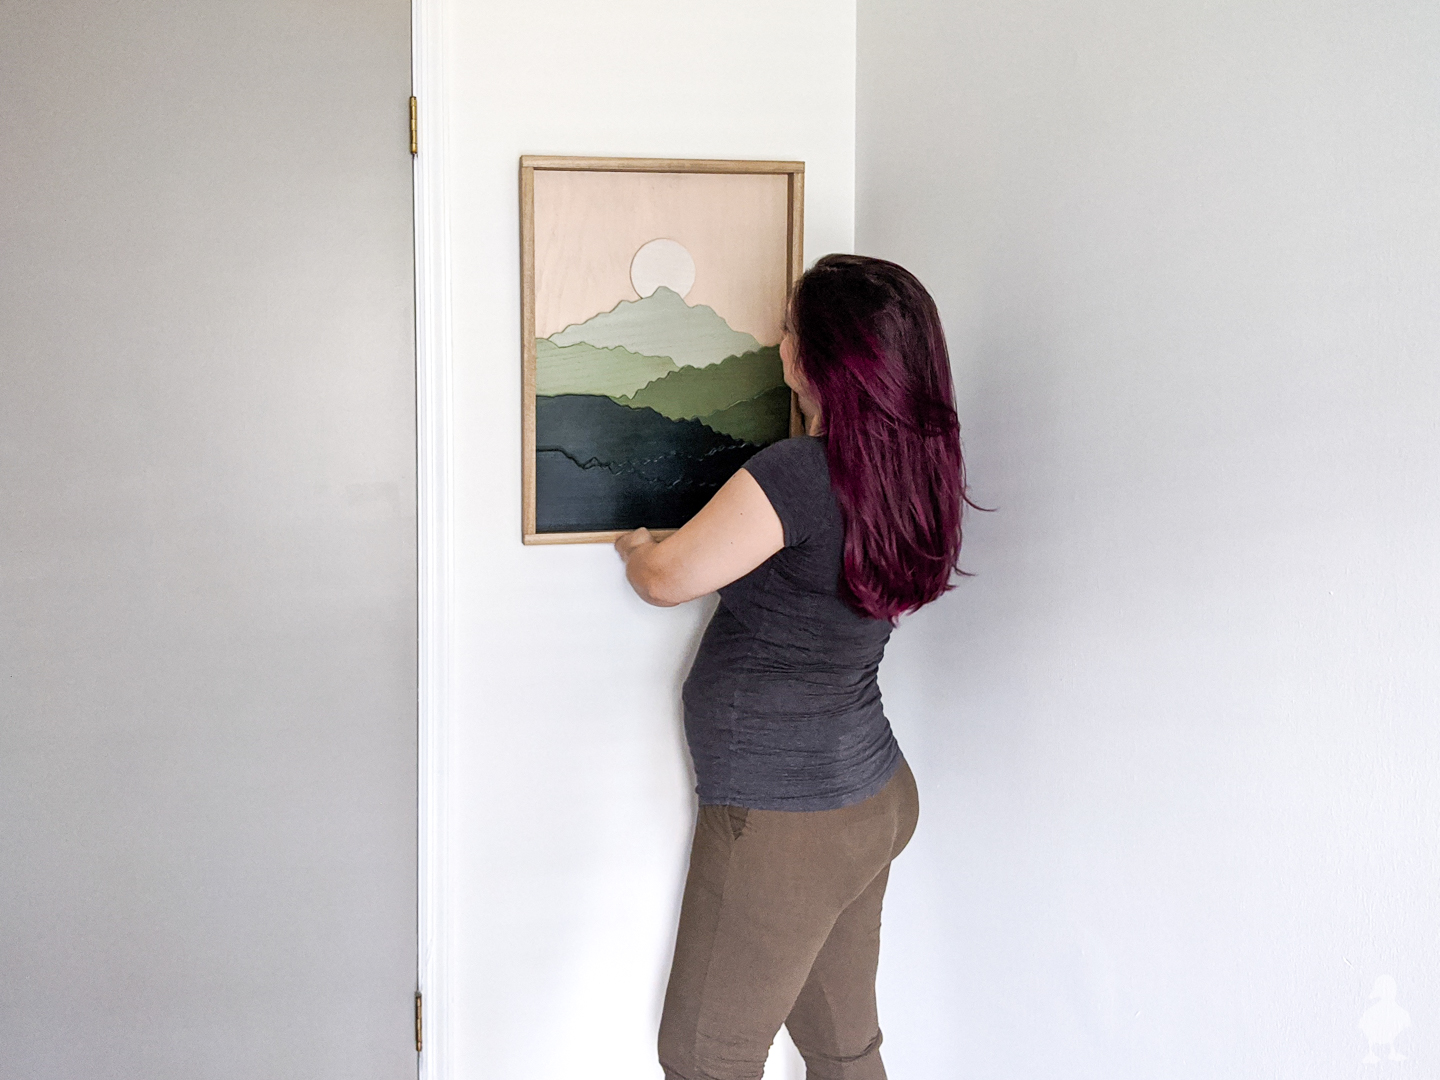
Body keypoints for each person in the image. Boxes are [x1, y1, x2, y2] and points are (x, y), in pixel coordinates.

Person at [614, 253, 973, 1080]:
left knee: (705, 1058)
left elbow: (666, 580)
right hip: (871, 799)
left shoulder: (799, 474)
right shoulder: (917, 467)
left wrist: (638, 546)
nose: (778, 338)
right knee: (845, 1050)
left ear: (815, 358)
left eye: (786, 326)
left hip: (787, 822)